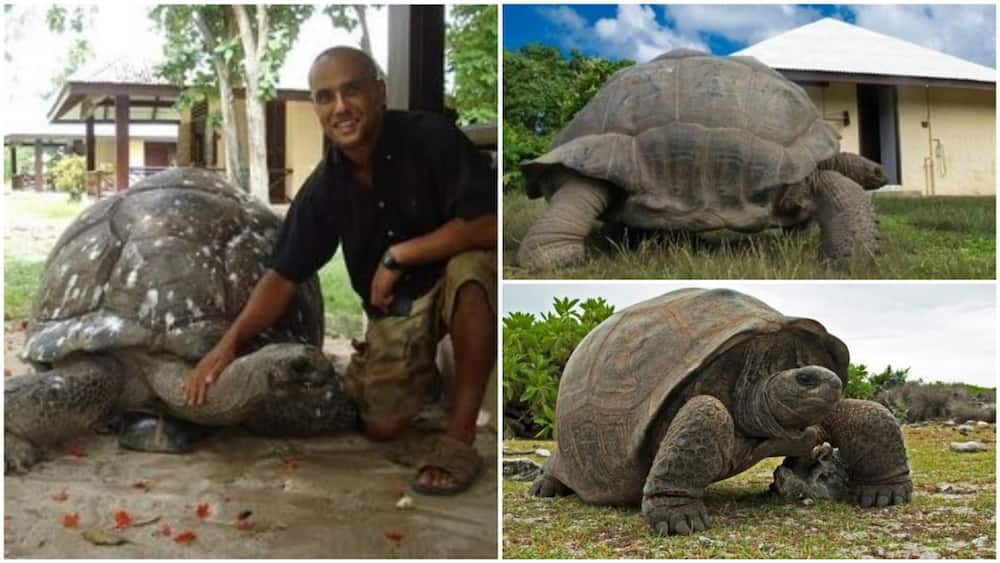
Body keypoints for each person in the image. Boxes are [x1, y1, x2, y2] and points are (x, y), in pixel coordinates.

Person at [181, 45, 497, 495]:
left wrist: (399, 255)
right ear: (316, 108)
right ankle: (420, 369)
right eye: (325, 97)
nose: (341, 107)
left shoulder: (430, 137)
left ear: (380, 92)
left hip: (452, 281)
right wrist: (227, 346)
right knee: (381, 426)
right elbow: (282, 276)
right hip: (398, 307)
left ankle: (460, 437)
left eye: (352, 91)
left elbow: (491, 223)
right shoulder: (324, 188)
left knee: (472, 271)